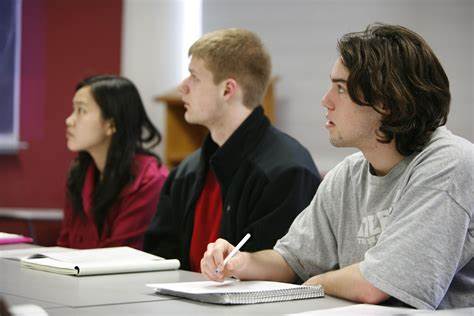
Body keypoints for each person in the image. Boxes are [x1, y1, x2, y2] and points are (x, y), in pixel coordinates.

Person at [200, 23, 474, 310]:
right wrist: (242, 262)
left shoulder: (450, 164)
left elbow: (375, 285)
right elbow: (291, 260)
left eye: (340, 89)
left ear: (388, 101)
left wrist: (317, 283)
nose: (325, 100)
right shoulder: (349, 174)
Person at [144, 28, 321, 271]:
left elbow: (279, 278)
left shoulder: (287, 173)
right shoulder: (185, 171)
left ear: (227, 90)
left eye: (194, 77)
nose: (182, 88)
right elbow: (160, 262)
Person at [58, 75, 168, 250]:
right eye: (73, 110)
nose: (69, 120)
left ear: (111, 124)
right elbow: (64, 244)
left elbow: (119, 255)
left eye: (81, 110)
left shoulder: (149, 180)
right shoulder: (79, 172)